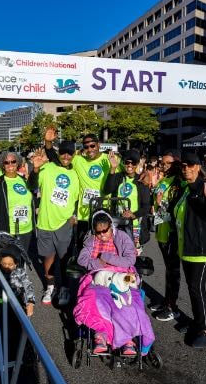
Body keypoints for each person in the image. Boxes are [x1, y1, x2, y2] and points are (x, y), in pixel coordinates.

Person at [72, 211, 155, 356]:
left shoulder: (122, 237)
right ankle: (101, 334)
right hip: (98, 276)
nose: (102, 235)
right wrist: (99, 263)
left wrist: (106, 257)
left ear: (111, 227)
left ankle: (127, 339)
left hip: (123, 274)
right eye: (98, 232)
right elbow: (82, 260)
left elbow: (130, 260)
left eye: (105, 230)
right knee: (95, 299)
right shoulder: (91, 240)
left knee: (126, 302)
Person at [175, 153, 206, 349]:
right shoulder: (187, 189)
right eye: (184, 166)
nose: (186, 169)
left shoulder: (204, 186)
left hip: (202, 248)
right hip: (187, 247)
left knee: (197, 287)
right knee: (192, 287)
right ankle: (197, 321)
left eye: (191, 166)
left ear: (198, 168)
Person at [29, 136, 79, 306]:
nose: (66, 156)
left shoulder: (75, 173)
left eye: (69, 154)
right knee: (48, 258)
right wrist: (35, 169)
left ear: (74, 155)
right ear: (59, 153)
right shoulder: (47, 168)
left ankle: (64, 287)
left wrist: (74, 217)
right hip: (45, 221)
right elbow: (32, 186)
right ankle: (50, 287)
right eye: (63, 152)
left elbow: (77, 197)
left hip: (65, 223)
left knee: (64, 258)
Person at [45, 131, 118, 247]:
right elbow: (55, 158)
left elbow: (109, 190)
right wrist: (48, 142)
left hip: (102, 214)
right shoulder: (78, 160)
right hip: (83, 214)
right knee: (82, 247)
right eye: (86, 147)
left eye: (92, 146)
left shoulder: (110, 159)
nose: (90, 149)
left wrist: (112, 170)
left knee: (101, 248)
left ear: (98, 145)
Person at [151, 150, 184, 322]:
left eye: (168, 163)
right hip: (161, 229)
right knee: (168, 270)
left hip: (173, 232)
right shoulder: (164, 179)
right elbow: (156, 202)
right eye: (163, 163)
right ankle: (166, 301)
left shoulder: (180, 181)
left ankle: (173, 307)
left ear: (177, 163)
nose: (164, 165)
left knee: (173, 271)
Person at [0, 151, 35, 253]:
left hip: (26, 230)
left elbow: (30, 200)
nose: (10, 164)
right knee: (7, 264)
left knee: (21, 262)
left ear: (18, 163)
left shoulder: (23, 180)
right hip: (8, 230)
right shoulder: (0, 182)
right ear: (2, 165)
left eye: (13, 161)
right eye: (6, 162)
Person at [103, 149, 152, 252]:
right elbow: (107, 190)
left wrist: (133, 215)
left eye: (133, 162)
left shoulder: (141, 181)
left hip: (135, 225)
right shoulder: (118, 177)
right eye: (127, 162)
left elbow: (147, 206)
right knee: (116, 253)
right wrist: (112, 169)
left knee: (132, 257)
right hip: (117, 223)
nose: (130, 165)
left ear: (137, 164)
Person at [0, 244, 36, 317]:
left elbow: (28, 286)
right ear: (0, 262)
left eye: (10, 264)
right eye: (4, 264)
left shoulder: (20, 272)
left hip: (15, 300)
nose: (6, 267)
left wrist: (30, 302)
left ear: (16, 264)